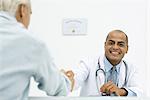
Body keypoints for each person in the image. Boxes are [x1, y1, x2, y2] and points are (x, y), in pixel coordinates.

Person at [0, 0, 71, 100]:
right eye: (30, 13)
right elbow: (57, 88)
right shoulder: (29, 42)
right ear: (22, 10)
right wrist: (67, 80)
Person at [65, 30, 143, 96]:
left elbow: (139, 92)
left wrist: (121, 91)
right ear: (105, 45)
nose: (115, 47)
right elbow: (76, 78)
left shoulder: (131, 68)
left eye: (120, 44)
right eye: (111, 43)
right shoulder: (88, 64)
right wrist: (68, 80)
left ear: (127, 49)